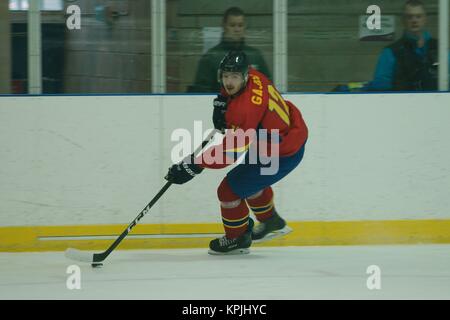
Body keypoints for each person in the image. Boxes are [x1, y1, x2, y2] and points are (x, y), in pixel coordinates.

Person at [167, 51, 308, 255]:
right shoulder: (255, 76)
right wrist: (222, 101)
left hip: (280, 152)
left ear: (244, 76)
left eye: (234, 77)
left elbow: (230, 153)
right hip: (280, 139)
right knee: (248, 183)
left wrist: (194, 165)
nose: (229, 82)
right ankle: (271, 222)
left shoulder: (244, 109)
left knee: (228, 191)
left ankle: (237, 238)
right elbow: (232, 95)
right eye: (225, 76)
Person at [187, 7, 271, 93]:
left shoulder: (255, 56)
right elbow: (201, 92)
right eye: (232, 25)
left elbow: (268, 86)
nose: (237, 29)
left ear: (245, 27)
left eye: (240, 25)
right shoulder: (211, 57)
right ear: (224, 26)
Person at [366, 0, 444, 91]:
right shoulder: (391, 52)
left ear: (425, 19)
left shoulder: (440, 48)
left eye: (418, 16)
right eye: (409, 17)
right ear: (403, 20)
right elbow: (380, 88)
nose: (414, 20)